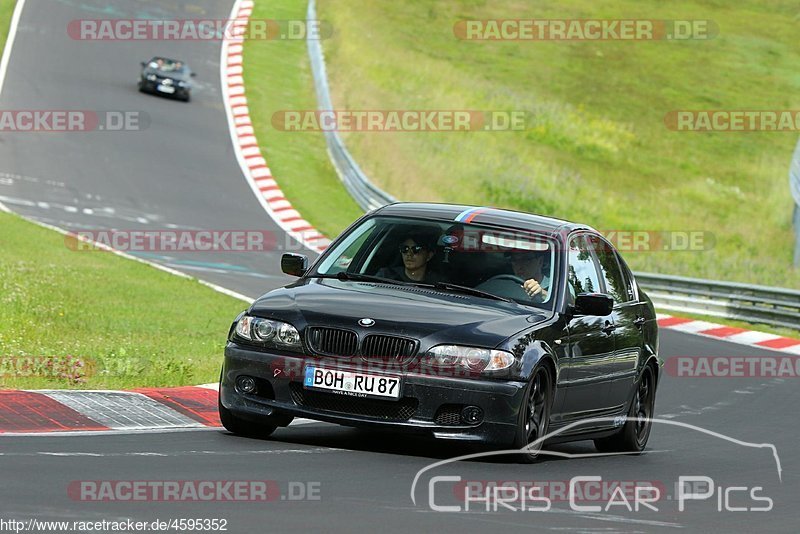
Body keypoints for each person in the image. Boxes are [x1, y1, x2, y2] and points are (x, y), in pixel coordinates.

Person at [376, 233, 442, 283]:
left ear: (429, 256)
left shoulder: (438, 284)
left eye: (416, 249)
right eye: (405, 249)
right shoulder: (385, 277)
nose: (409, 254)